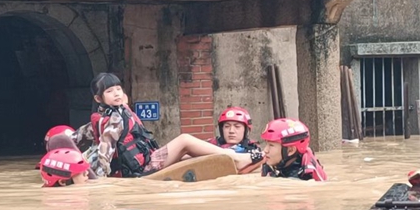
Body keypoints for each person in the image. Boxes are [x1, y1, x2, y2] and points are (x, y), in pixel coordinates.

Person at [89, 73, 264, 178]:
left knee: (188, 156)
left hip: (147, 160)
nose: (116, 94)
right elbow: (105, 152)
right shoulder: (113, 120)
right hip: (141, 169)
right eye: (109, 91)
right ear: (99, 98)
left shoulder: (116, 113)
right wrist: (102, 181)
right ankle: (236, 158)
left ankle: (232, 159)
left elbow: (80, 136)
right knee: (185, 140)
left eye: (118, 89)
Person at [260, 118, 327, 181]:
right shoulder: (274, 166)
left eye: (271, 145)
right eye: (267, 144)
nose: (265, 150)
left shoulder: (299, 179)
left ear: (290, 150)